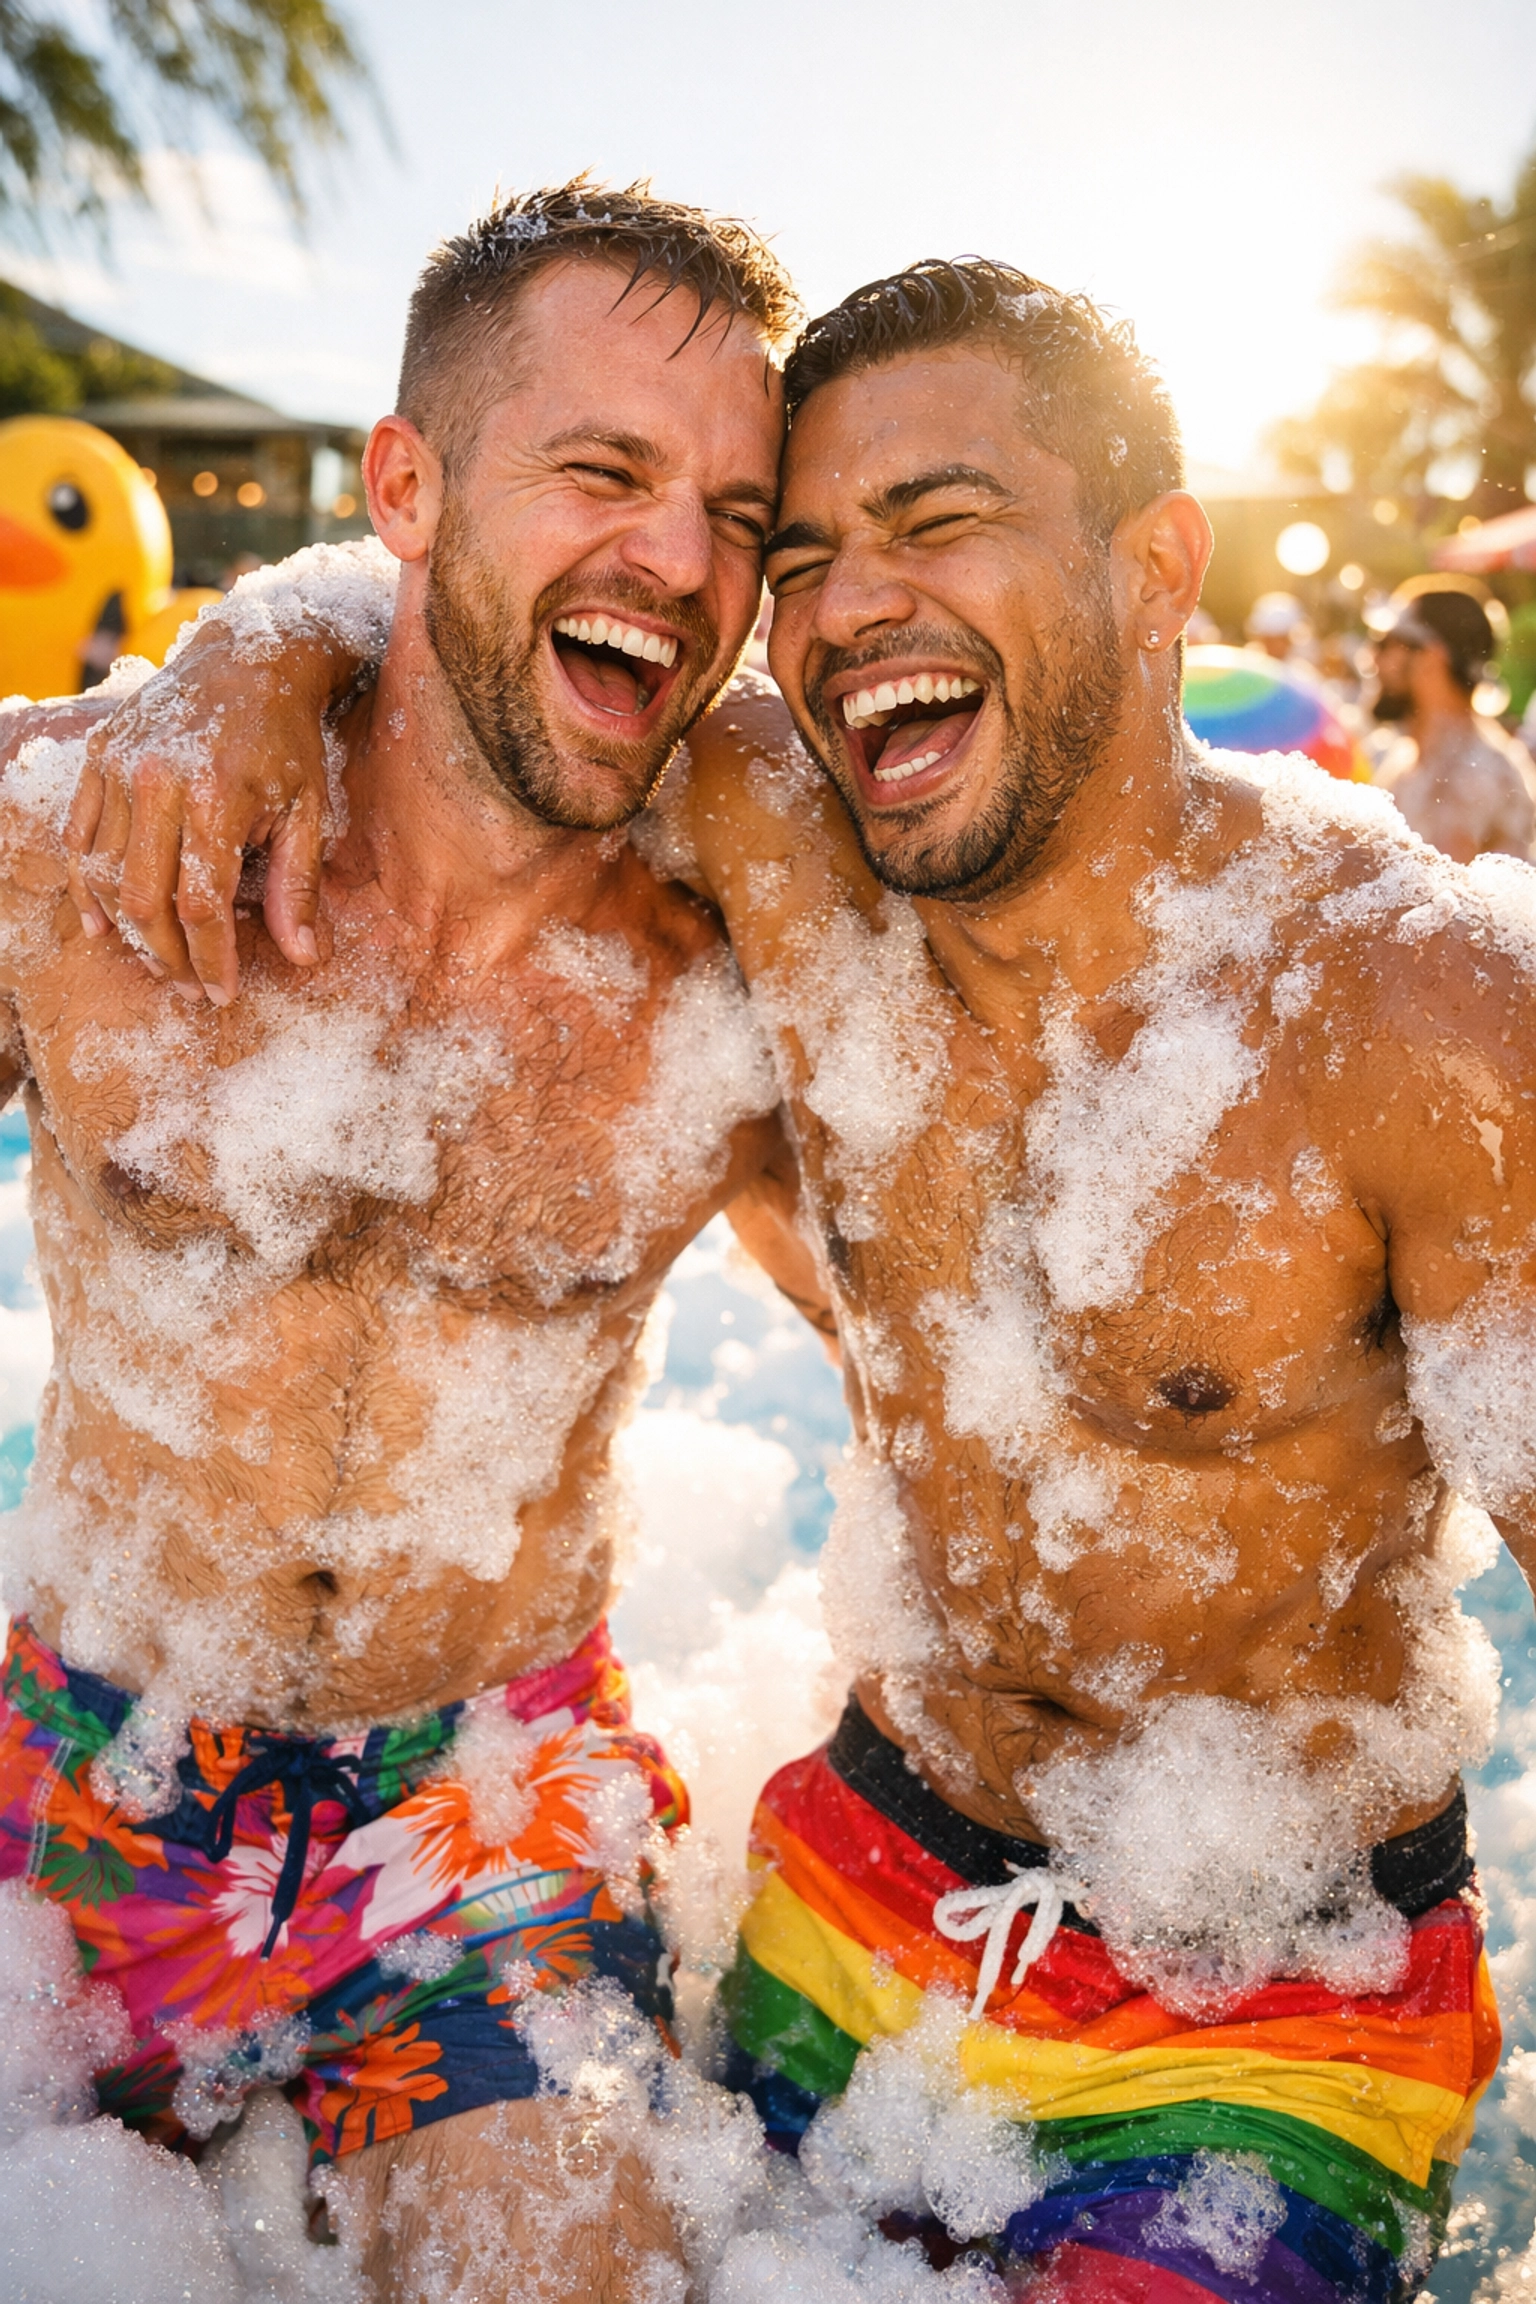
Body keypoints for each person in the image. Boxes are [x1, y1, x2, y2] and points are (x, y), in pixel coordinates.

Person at [64, 258, 1536, 2304]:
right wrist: (244, 651)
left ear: (1156, 569)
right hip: (863, 1897)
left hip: (1263, 1992)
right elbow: (477, 645)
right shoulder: (784, 839)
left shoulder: (1413, 1011)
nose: (840, 610)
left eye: (936, 526)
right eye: (811, 554)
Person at [0, 182, 830, 2304]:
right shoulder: (78, 850)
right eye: (604, 472)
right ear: (407, 485)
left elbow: (997, 1369)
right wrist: (250, 649)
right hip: (82, 1778)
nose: (680, 559)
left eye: (739, 513)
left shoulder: (734, 988)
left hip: (485, 1813)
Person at [1369, 577, 1535, 862]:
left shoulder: (1468, 775)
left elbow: (1430, 902)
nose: (1375, 658)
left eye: (1387, 643)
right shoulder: (1414, 760)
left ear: (1431, 656)